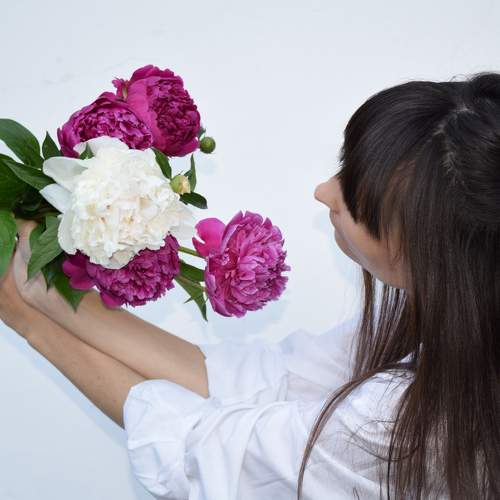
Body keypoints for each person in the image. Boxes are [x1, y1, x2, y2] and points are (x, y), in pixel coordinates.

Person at [1, 70, 499, 500]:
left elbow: (205, 453)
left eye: (357, 198)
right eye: (344, 167)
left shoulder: (410, 422)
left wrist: (27, 320)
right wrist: (47, 297)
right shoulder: (462, 320)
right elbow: (267, 380)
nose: (324, 192)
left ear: (430, 251)